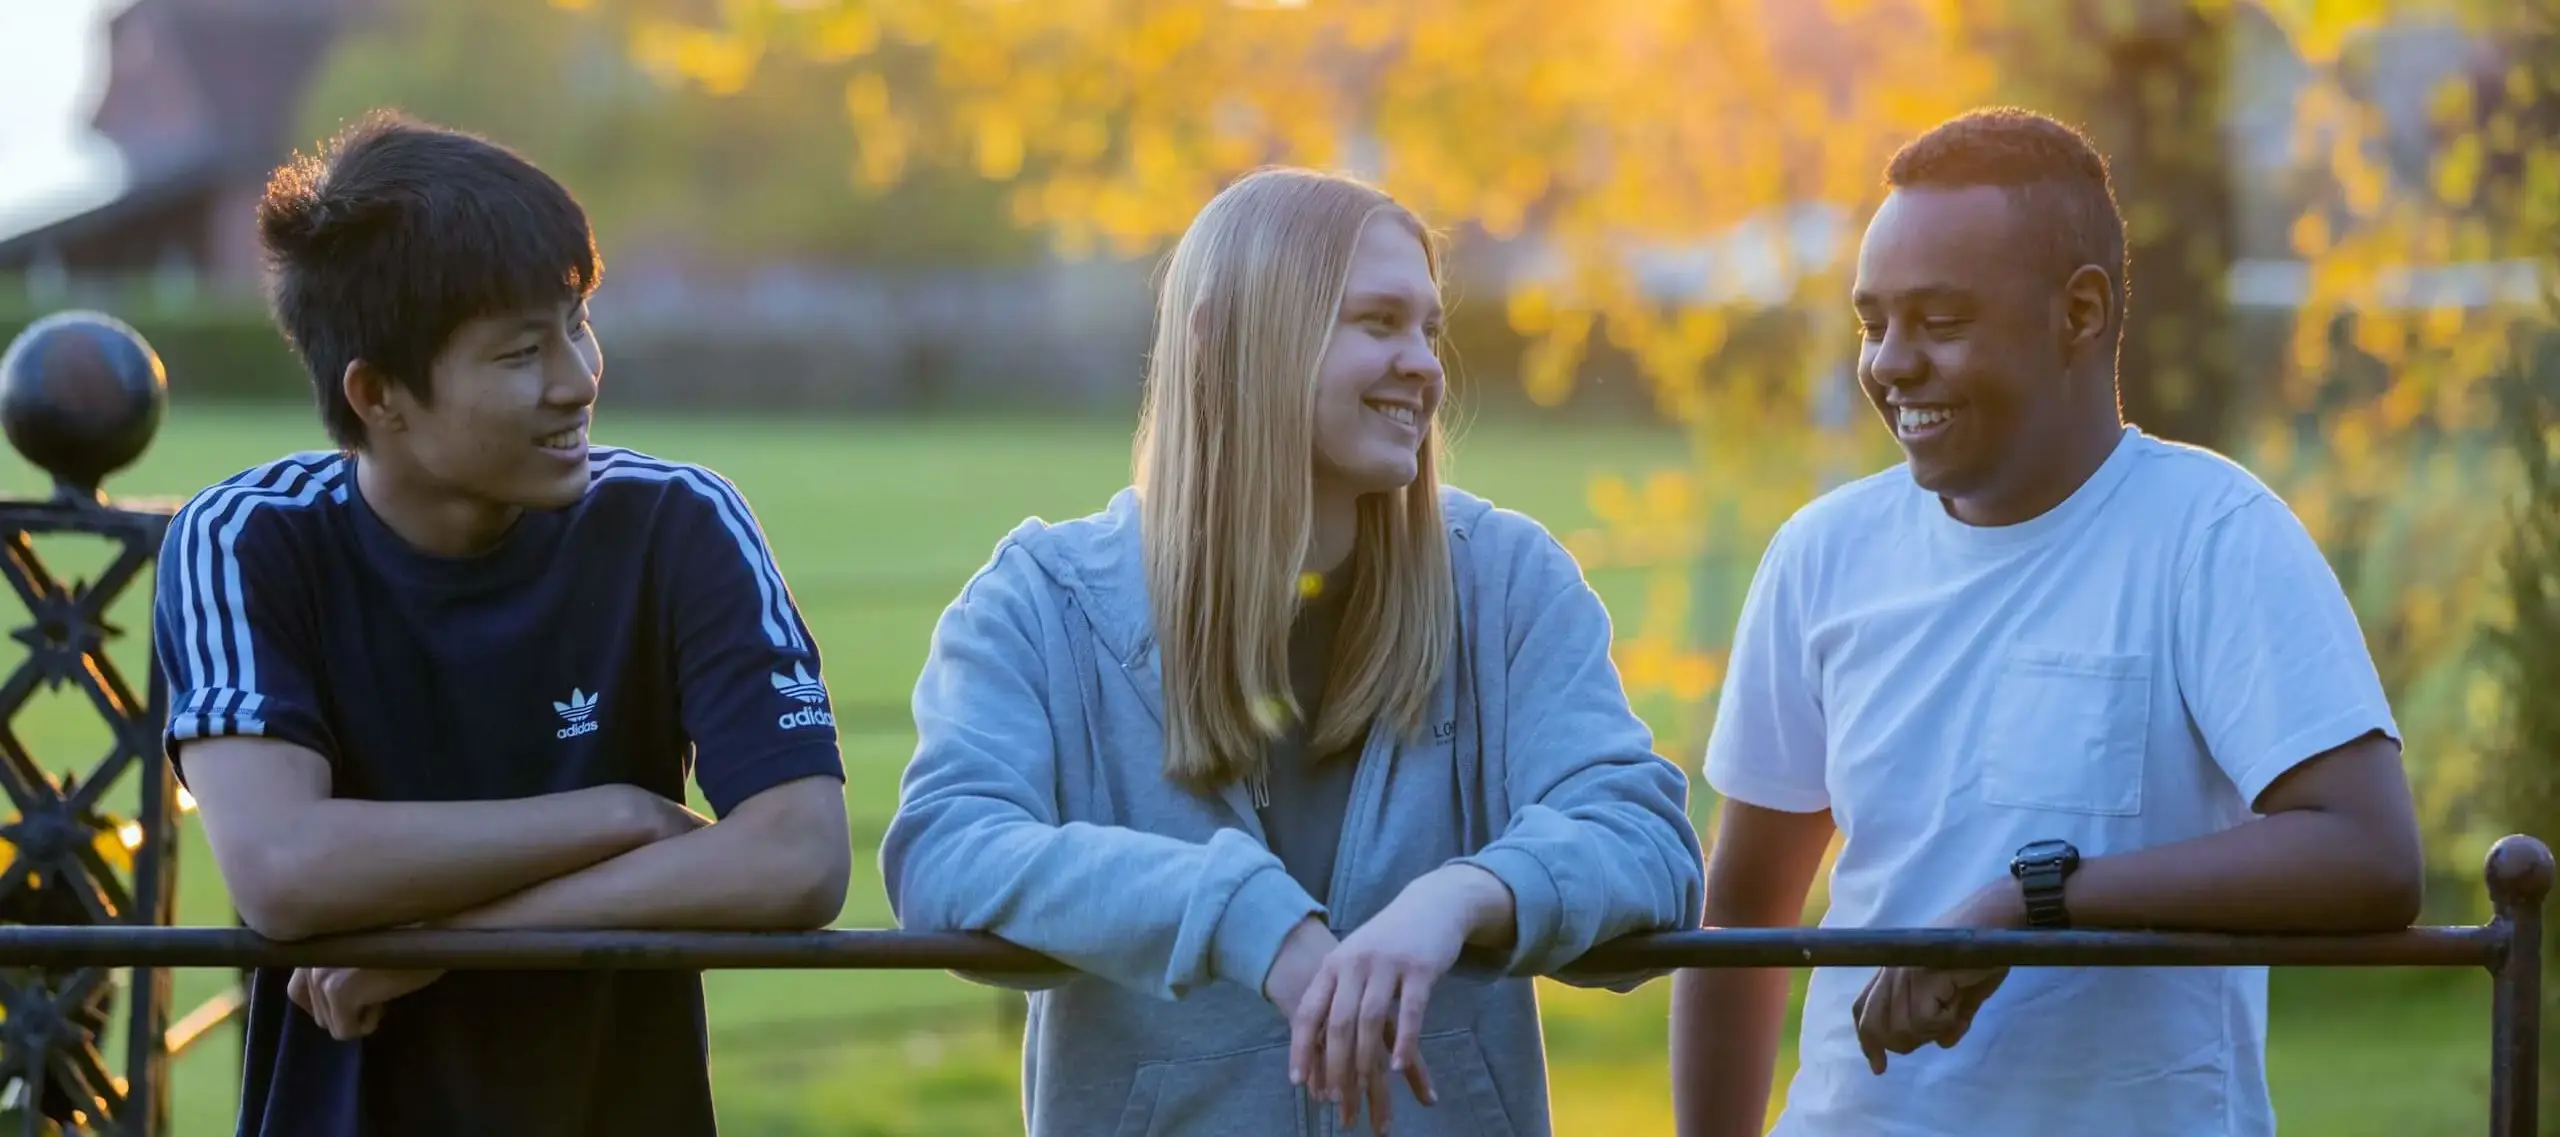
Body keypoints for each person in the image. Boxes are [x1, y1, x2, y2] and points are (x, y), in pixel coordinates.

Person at [881, 167, 1705, 1137]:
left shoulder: (1508, 583)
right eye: (1377, 322)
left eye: (1429, 329)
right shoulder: (1040, 605)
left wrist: (1462, 898)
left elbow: (1646, 845)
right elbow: (946, 852)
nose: (1425, 366)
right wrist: (1236, 915)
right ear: (1227, 341)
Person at [1667, 106, 2425, 1137]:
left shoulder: (2211, 537)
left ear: (2079, 314)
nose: (1890, 363)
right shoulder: (1821, 554)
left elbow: (2368, 857)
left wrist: (2031, 902)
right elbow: (1745, 912)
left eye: (1938, 322)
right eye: (1870, 322)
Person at [151, 112, 852, 1137]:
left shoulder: (677, 523)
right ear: (378, 394)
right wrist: (621, 813)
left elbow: (798, 857)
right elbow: (283, 868)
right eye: (523, 350)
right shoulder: (246, 540)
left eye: (578, 322)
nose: (578, 378)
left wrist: (452, 936)